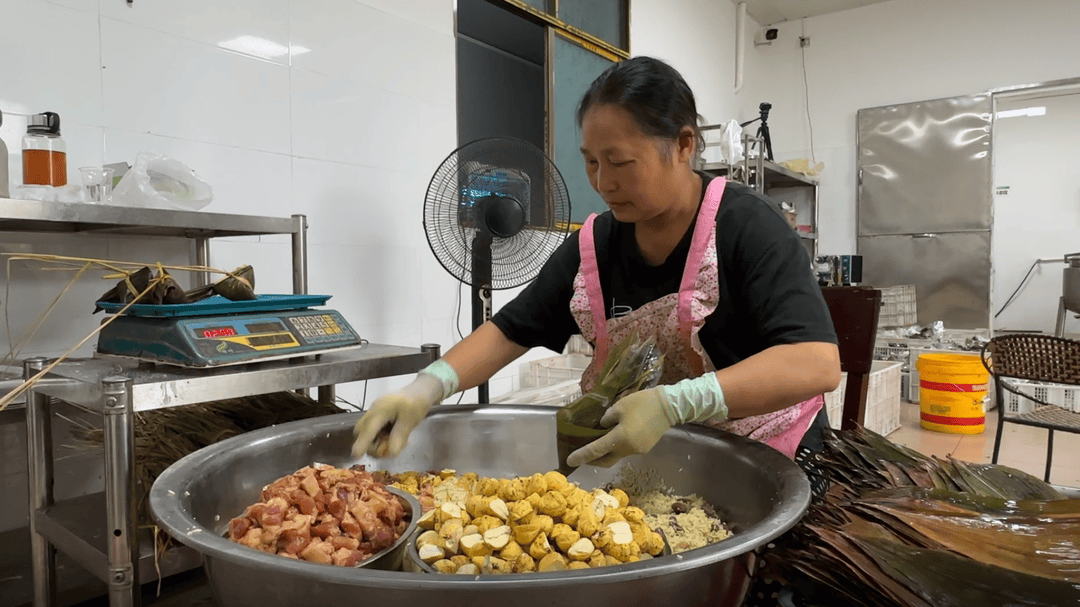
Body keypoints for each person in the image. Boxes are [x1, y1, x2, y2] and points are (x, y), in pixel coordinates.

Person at [352, 56, 841, 474]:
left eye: (621, 162)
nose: (603, 182)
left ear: (685, 145)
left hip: (766, 454)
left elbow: (815, 363)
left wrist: (677, 402)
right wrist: (427, 387)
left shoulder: (747, 226)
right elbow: (510, 329)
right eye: (590, 162)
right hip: (653, 454)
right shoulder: (596, 244)